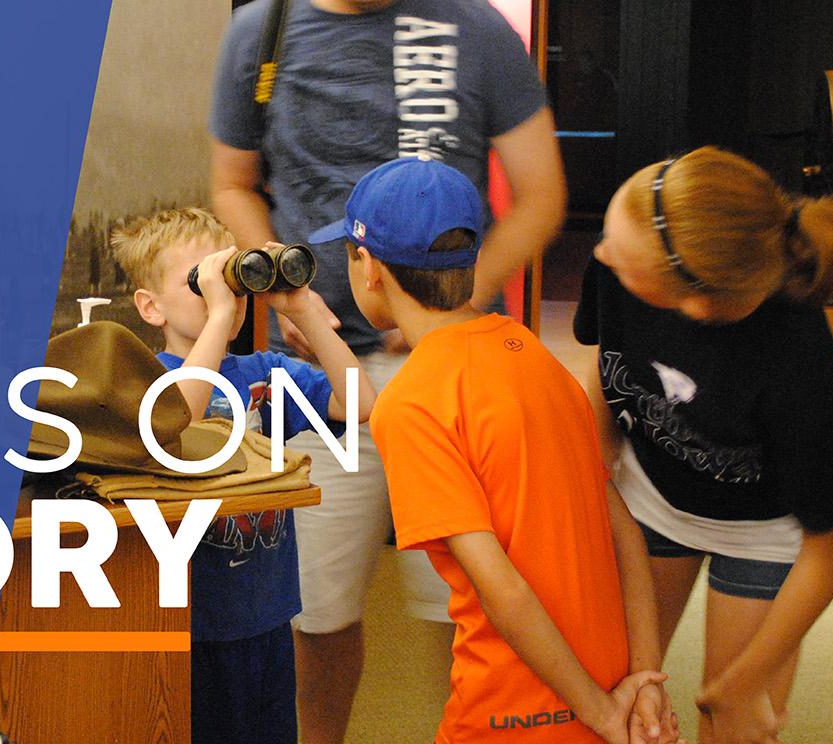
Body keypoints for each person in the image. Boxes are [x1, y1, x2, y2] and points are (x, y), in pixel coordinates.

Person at [207, 3, 567, 737]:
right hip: (316, 377)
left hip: (446, 366)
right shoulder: (262, 31)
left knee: (471, 603)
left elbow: (542, 194)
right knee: (313, 610)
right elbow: (231, 182)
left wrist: (448, 301)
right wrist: (285, 286)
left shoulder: (476, 28)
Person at [326, 157, 679, 743]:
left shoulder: (411, 403)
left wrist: (596, 710)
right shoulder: (534, 355)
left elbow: (502, 587)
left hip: (513, 711)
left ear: (368, 267)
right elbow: (625, 535)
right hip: (608, 688)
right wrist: (644, 678)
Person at [575, 146, 833, 743]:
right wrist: (592, 483)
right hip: (649, 501)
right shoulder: (611, 267)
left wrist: (742, 684)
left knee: (732, 724)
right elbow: (603, 374)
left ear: (696, 306)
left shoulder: (796, 364)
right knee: (617, 695)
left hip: (763, 533)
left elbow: (830, 548)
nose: (601, 253)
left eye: (621, 259)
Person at [110, 207, 374, 744]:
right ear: (150, 307)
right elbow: (175, 416)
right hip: (189, 622)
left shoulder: (266, 375)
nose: (219, 300)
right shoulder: (145, 379)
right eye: (198, 284)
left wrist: (300, 309)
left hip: (268, 611)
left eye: (226, 277)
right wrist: (218, 314)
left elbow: (361, 403)